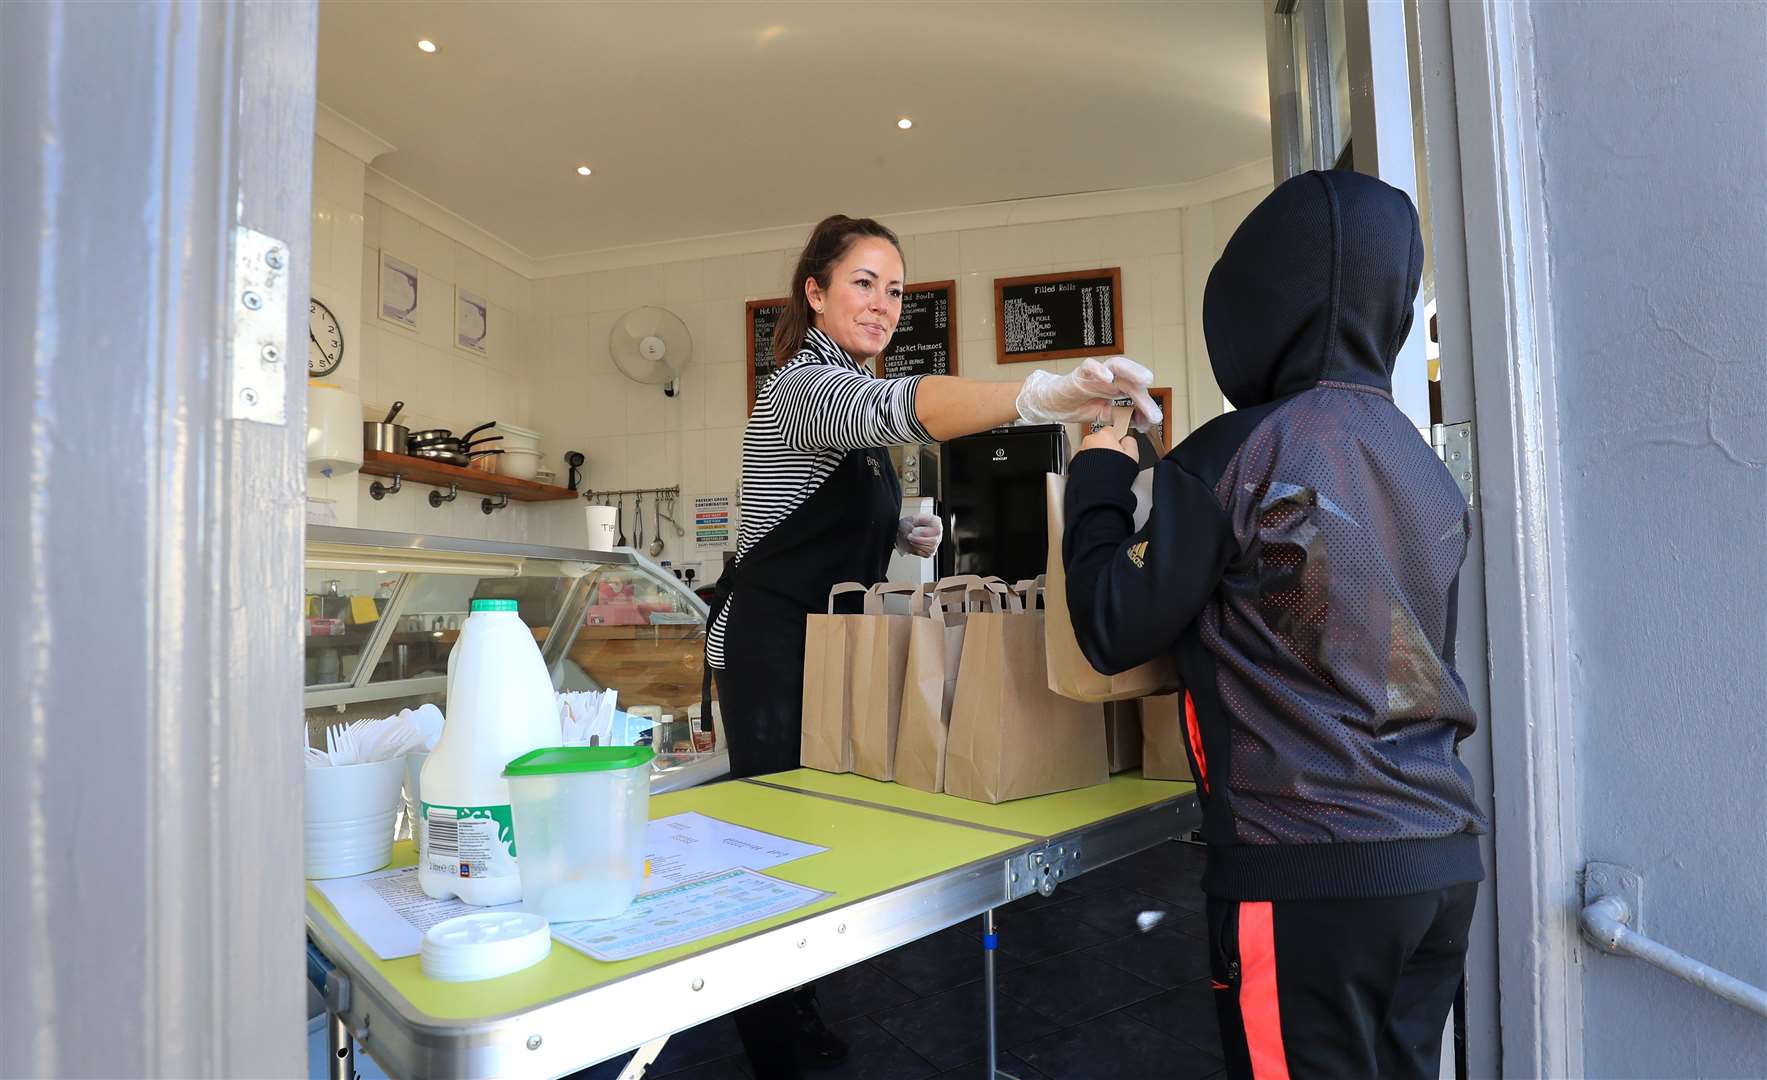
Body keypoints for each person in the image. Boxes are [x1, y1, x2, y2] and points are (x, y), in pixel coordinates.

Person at [704, 212, 1157, 1077]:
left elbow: (842, 495)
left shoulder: (849, 388)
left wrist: (900, 537)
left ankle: (796, 1003)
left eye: (896, 290)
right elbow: (902, 407)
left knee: (821, 830)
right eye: (863, 283)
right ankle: (768, 1032)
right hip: (769, 647)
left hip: (830, 641)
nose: (882, 304)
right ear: (816, 291)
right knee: (775, 846)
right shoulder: (802, 382)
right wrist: (1041, 395)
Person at [1063, 171, 1487, 1080]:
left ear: (1250, 305)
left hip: (1306, 872)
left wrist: (1099, 472)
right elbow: (1327, 628)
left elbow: (1110, 623)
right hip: (1438, 864)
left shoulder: (1233, 450)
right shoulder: (1420, 464)